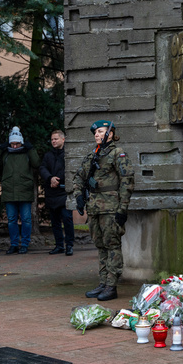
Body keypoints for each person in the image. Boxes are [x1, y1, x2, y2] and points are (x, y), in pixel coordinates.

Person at [72, 120, 134, 301]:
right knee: (100, 246)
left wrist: (123, 208)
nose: (96, 135)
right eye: (95, 133)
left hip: (111, 207)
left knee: (112, 245)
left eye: (100, 132)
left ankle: (111, 286)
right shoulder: (93, 155)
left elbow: (127, 181)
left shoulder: (118, 154)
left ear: (110, 134)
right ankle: (103, 282)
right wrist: (78, 196)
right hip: (94, 208)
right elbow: (79, 176)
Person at [0, 126, 39, 255]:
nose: (15, 146)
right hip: (9, 191)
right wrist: (0, 149)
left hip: (24, 191)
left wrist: (31, 149)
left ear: (21, 142)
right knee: (11, 220)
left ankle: (25, 244)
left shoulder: (27, 153)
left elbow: (36, 164)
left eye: (17, 143)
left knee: (26, 220)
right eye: (12, 143)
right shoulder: (6, 153)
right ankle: (14, 244)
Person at [40, 130, 74, 256]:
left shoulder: (68, 155)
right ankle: (59, 245)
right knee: (55, 222)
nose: (53, 141)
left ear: (63, 139)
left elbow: (69, 170)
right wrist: (50, 178)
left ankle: (69, 245)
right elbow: (43, 168)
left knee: (67, 219)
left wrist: (57, 179)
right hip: (51, 192)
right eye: (52, 139)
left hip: (64, 192)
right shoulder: (48, 155)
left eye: (56, 139)